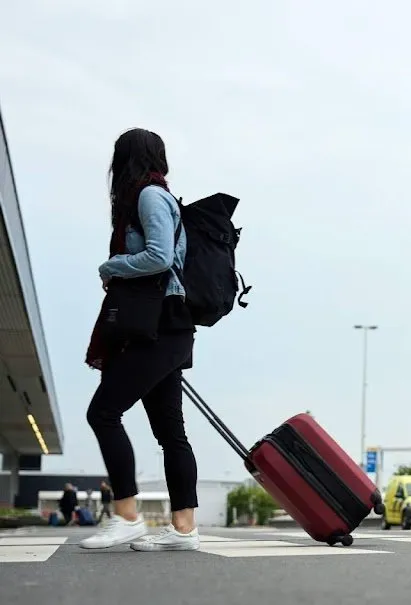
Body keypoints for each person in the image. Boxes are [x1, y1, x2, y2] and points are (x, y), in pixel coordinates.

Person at [79, 128, 201, 552]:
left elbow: (160, 256)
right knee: (170, 431)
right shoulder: (153, 196)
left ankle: (127, 515)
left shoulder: (148, 196)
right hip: (167, 324)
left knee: (104, 412)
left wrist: (112, 266)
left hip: (161, 324)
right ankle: (184, 530)